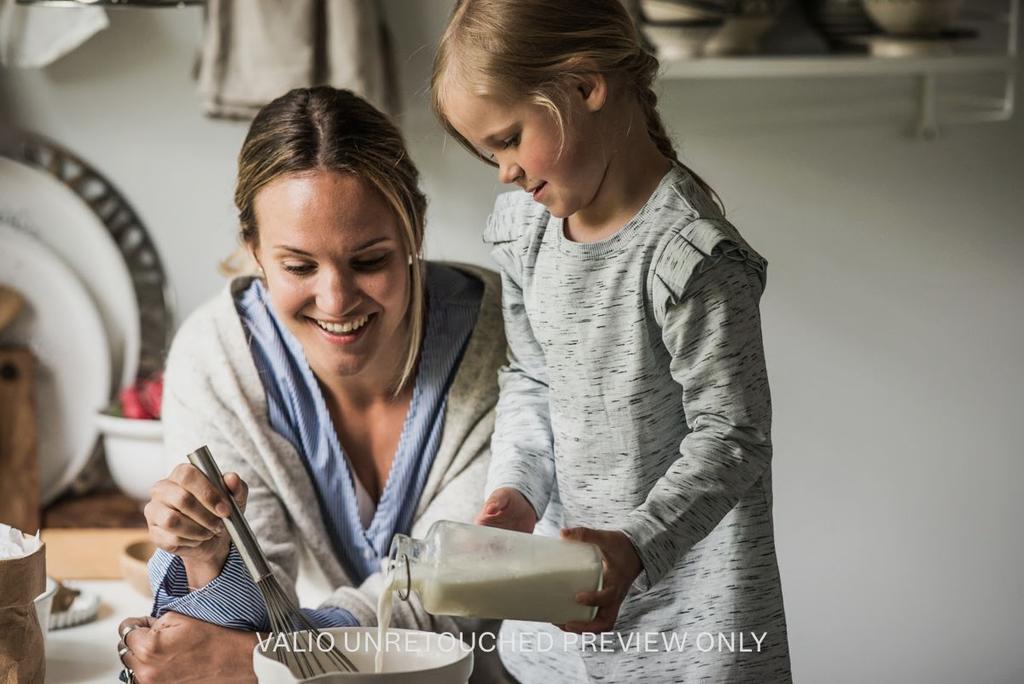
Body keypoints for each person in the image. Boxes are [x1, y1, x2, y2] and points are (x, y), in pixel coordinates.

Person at [431, 1, 791, 681]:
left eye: (509, 138)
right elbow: (532, 379)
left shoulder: (688, 257)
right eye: (490, 153)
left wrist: (634, 547)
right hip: (567, 623)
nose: (504, 170)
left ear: (585, 86)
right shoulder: (524, 231)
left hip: (695, 632)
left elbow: (733, 435)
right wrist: (516, 490)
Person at [115, 86, 511, 684]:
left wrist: (257, 662)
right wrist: (206, 556)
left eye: (370, 260)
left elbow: (454, 598)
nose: (336, 300)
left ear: (415, 231)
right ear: (254, 251)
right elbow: (248, 610)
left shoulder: (505, 338)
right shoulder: (217, 361)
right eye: (299, 266)